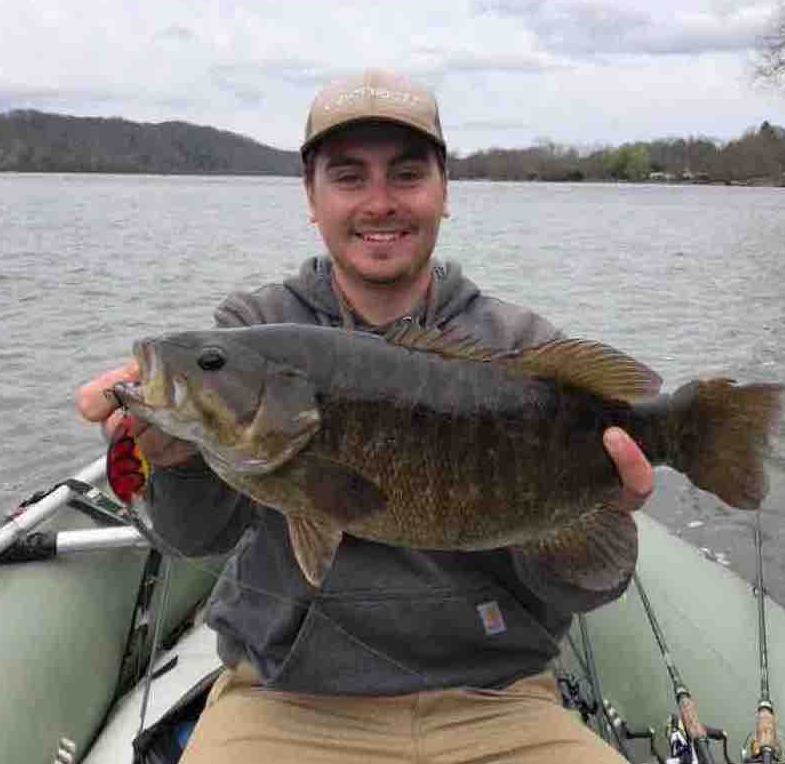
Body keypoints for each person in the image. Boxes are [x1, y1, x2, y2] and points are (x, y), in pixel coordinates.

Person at [77, 69, 655, 763]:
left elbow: (585, 585)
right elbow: (196, 537)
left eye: (406, 175)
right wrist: (169, 461)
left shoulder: (519, 350)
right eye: (349, 177)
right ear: (311, 199)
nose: (379, 203)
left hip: (499, 702)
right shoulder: (253, 329)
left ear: (445, 193)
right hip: (281, 702)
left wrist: (596, 505)